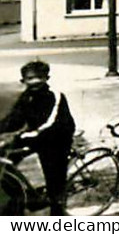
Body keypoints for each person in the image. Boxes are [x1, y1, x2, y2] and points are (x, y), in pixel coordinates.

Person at [0, 60, 76, 215]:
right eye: (29, 78)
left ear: (46, 78)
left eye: (38, 77)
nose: (34, 82)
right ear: (23, 81)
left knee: (53, 175)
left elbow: (49, 124)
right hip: (35, 135)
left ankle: (57, 211)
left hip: (57, 137)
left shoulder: (54, 95)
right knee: (5, 158)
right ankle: (22, 197)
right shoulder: (26, 96)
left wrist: (21, 137)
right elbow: (14, 118)